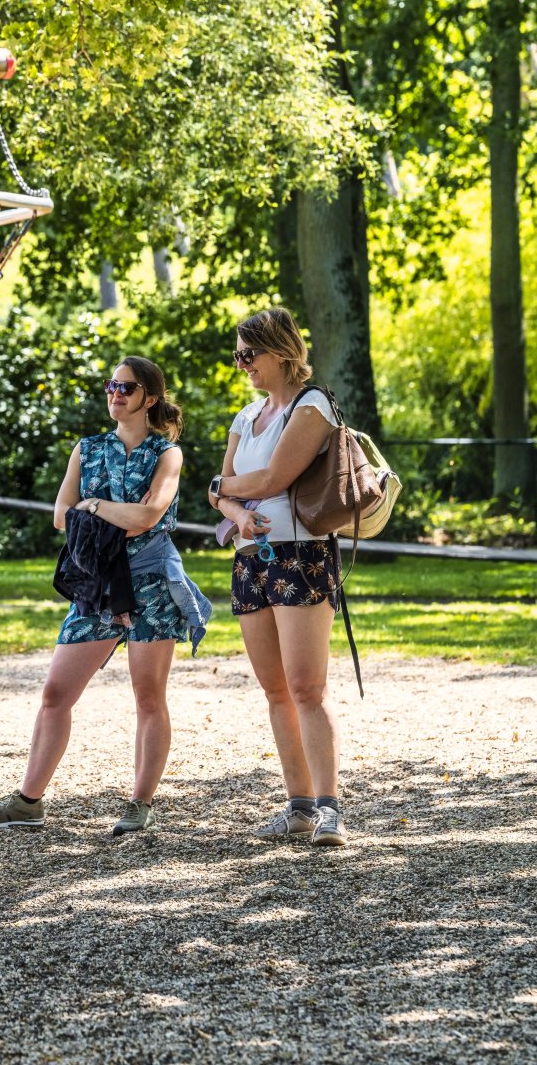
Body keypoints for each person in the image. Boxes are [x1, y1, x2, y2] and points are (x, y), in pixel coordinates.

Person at [0, 355, 210, 836]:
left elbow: (149, 517)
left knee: (148, 696)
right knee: (56, 693)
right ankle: (28, 802)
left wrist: (94, 505)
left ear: (151, 397)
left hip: (151, 583)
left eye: (126, 388)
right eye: (111, 386)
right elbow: (61, 515)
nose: (115, 395)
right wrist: (113, 511)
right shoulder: (88, 447)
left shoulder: (167, 454)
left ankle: (141, 805)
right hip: (96, 583)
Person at [208, 307, 347, 847]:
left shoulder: (312, 406)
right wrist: (237, 512)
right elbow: (219, 492)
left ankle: (331, 808)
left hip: (300, 554)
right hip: (251, 557)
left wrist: (231, 490)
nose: (242, 364)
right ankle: (299, 806)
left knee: (307, 687)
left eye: (250, 354)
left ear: (282, 352)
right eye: (238, 355)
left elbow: (272, 476)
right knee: (275, 690)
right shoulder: (246, 417)